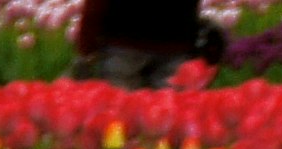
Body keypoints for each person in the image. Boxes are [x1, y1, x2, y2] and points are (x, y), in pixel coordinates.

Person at [72, 0, 221, 85]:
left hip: (123, 45)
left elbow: (95, 6)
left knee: (120, 116)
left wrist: (87, 48)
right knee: (169, 118)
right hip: (176, 44)